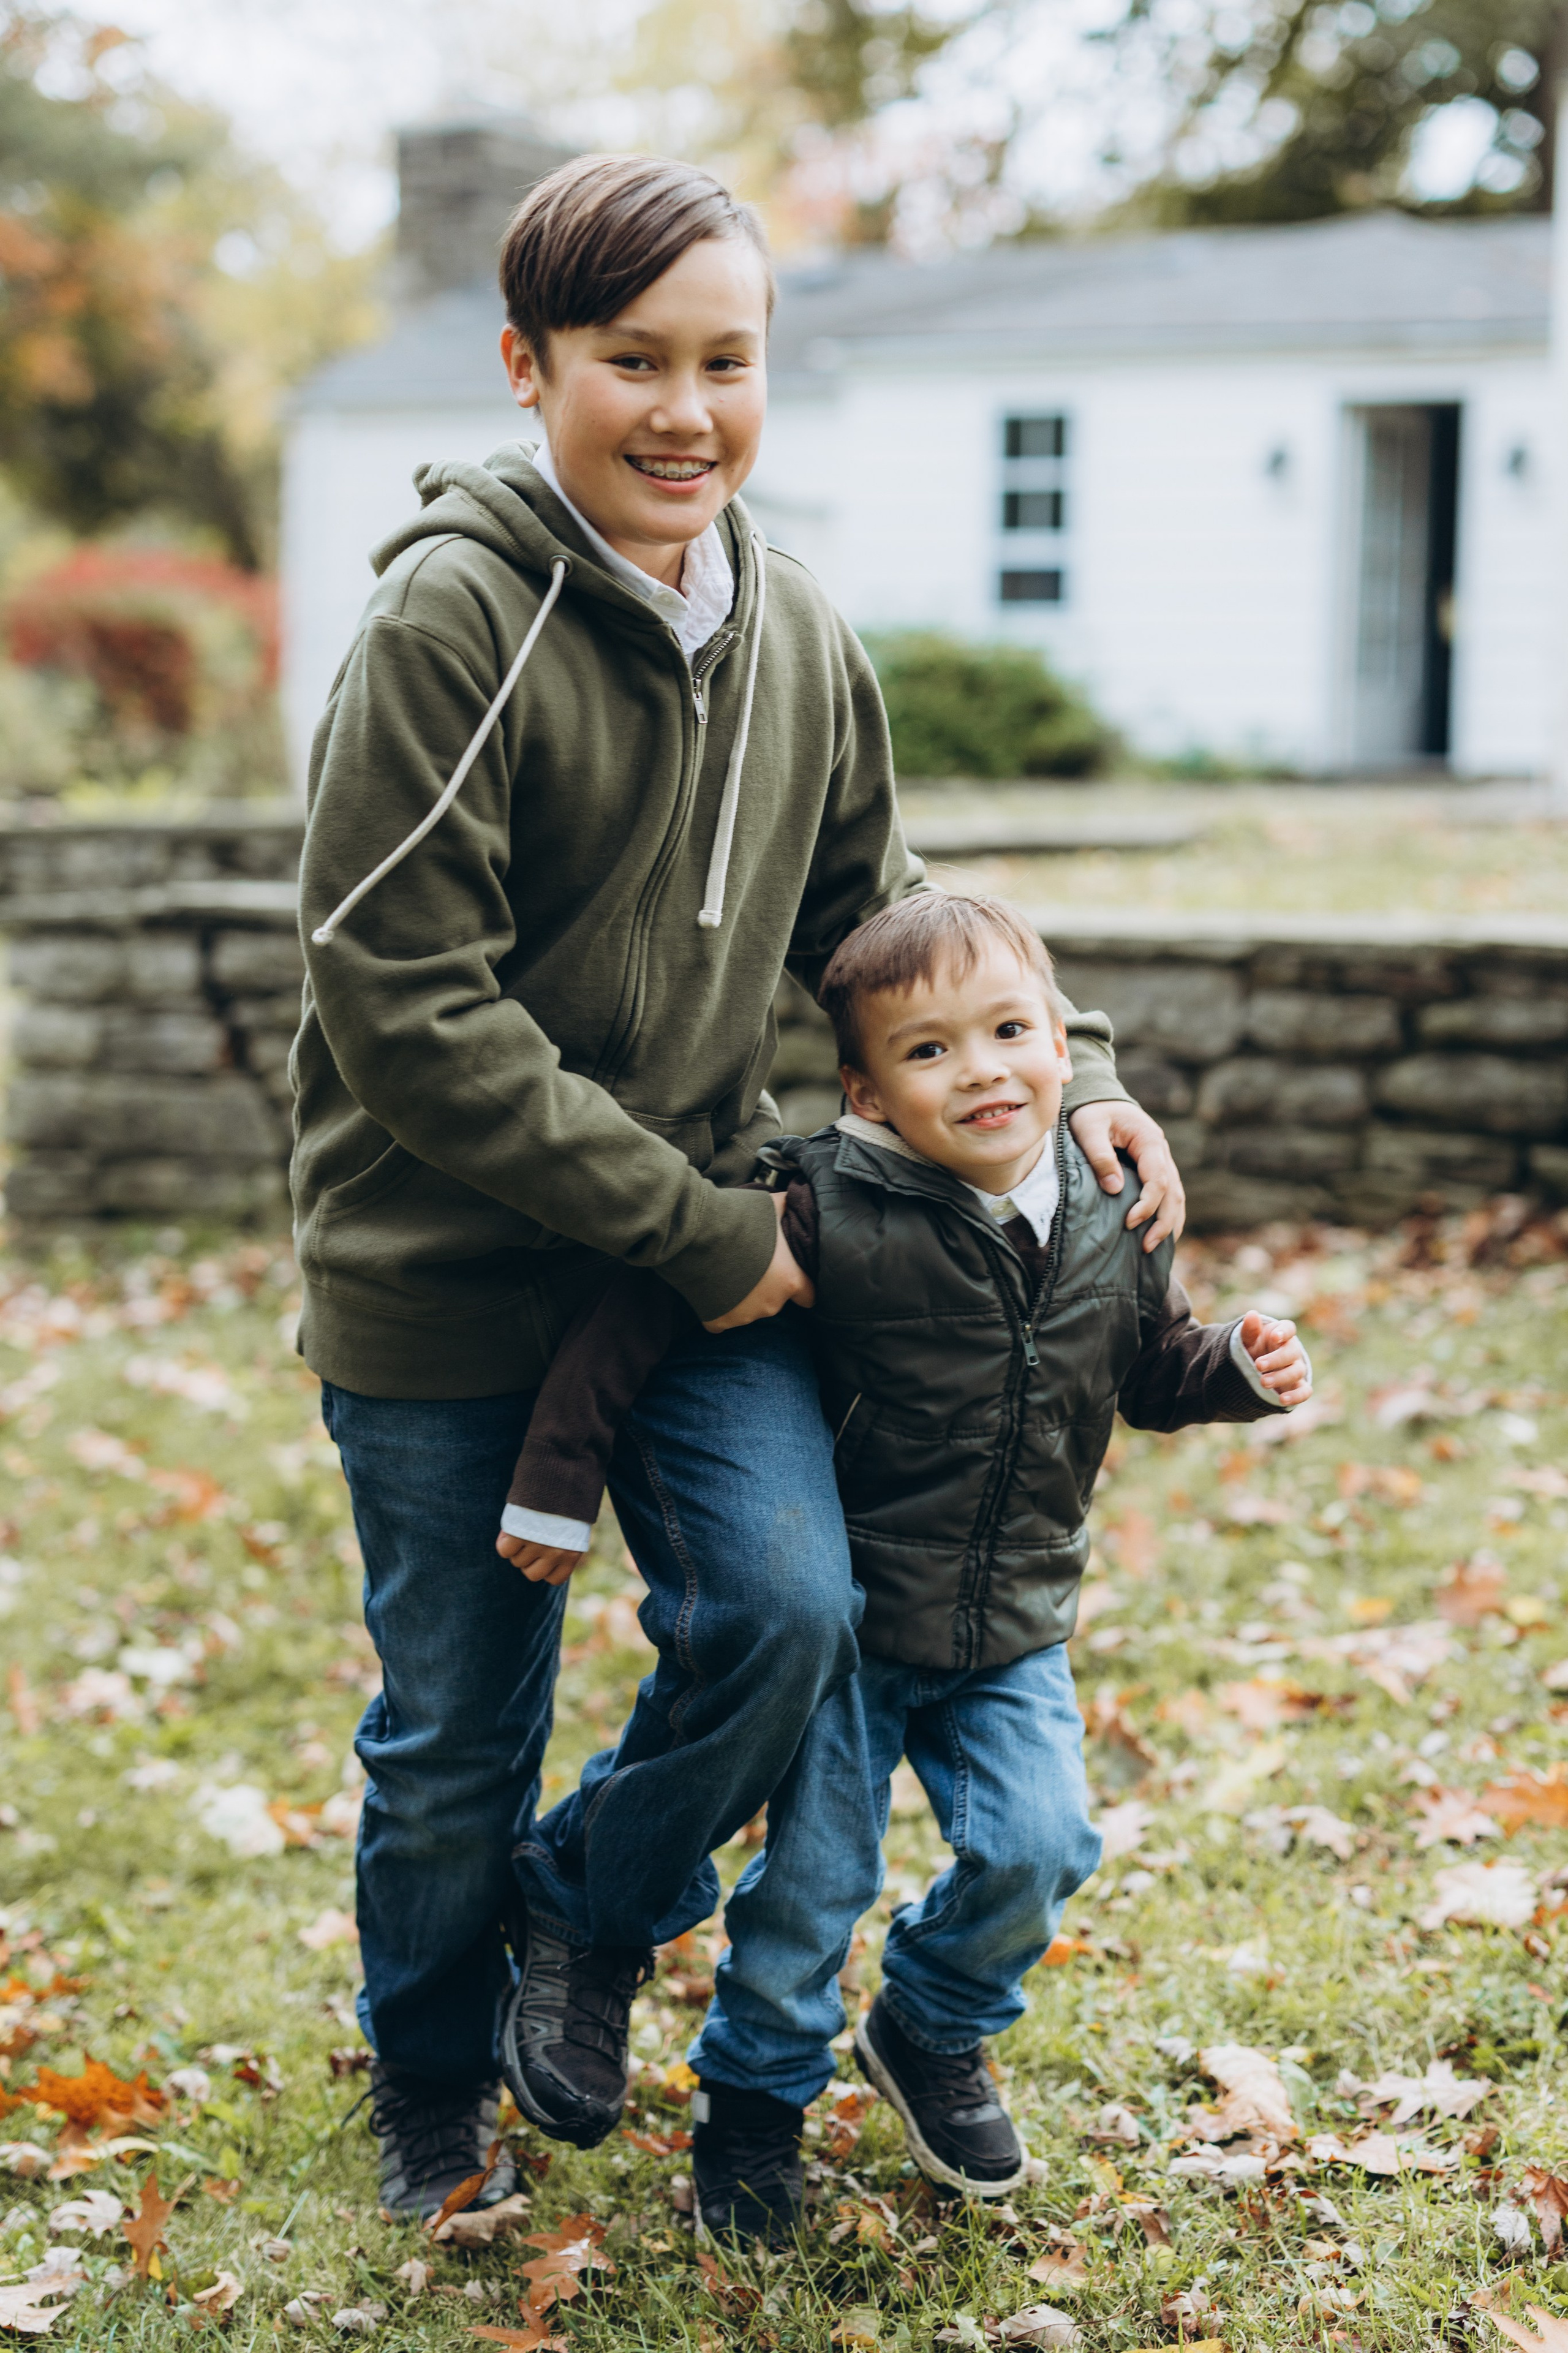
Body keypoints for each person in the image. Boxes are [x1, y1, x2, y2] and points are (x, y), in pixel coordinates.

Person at [292, 152, 1183, 2219]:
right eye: (633, 362)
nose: (686, 408)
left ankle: (587, 1911)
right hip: (458, 1279)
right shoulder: (453, 618)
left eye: (728, 360)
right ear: (529, 370)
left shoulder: (793, 623)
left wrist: (1089, 1084)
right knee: (453, 1728)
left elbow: (882, 917)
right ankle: (430, 2083)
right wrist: (709, 1230)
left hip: (701, 1270)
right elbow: (395, 995)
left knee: (790, 1608)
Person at [501, 891, 1311, 2238]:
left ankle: (930, 2024)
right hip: (861, 1629)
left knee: (1043, 1844)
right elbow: (639, 1307)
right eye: (930, 1052)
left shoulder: (1115, 1204)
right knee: (810, 1891)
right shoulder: (826, 1198)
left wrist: (1231, 1365)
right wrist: (557, 1480)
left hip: (1015, 1623)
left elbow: (1146, 1367)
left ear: (1064, 1044)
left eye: (1008, 1030)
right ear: (869, 1096)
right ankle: (752, 2105)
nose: (983, 1067)